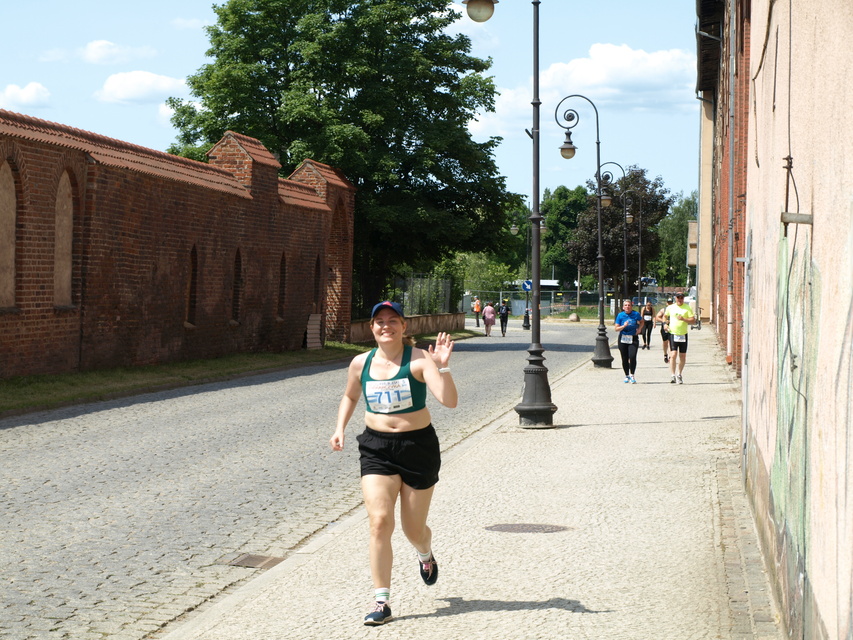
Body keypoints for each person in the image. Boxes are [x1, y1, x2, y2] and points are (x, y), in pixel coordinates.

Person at [330, 301, 457, 626]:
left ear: (404, 326)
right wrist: (340, 428)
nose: (386, 326)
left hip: (417, 447)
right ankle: (381, 601)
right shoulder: (360, 362)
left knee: (414, 530)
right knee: (379, 522)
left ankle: (425, 553)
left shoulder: (419, 359)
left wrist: (443, 366)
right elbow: (350, 396)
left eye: (392, 320)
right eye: (379, 321)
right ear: (372, 328)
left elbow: (449, 401)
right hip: (377, 448)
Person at [664, 292, 696, 384]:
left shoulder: (687, 308)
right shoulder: (671, 307)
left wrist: (683, 319)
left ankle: (679, 374)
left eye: (681, 297)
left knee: (682, 356)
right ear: (675, 298)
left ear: (683, 298)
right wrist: (665, 324)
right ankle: (672, 375)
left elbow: (693, 320)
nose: (680, 299)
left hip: (683, 334)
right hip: (673, 333)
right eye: (678, 297)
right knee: (673, 354)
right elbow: (665, 316)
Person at [614, 299, 644, 383]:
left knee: (632, 356)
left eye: (629, 305)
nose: (627, 307)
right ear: (623, 307)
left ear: (631, 306)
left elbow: (642, 322)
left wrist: (639, 329)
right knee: (624, 358)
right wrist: (623, 326)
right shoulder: (620, 315)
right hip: (623, 338)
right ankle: (626, 375)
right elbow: (616, 328)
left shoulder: (636, 314)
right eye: (626, 305)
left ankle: (632, 374)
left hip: (633, 338)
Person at [656, 298, 673, 363]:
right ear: (666, 303)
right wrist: (664, 321)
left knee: (671, 342)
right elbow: (657, 317)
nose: (670, 304)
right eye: (669, 303)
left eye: (671, 303)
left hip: (673, 328)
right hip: (664, 328)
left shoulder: (675, 310)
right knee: (665, 342)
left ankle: (671, 356)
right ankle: (665, 354)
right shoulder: (663, 310)